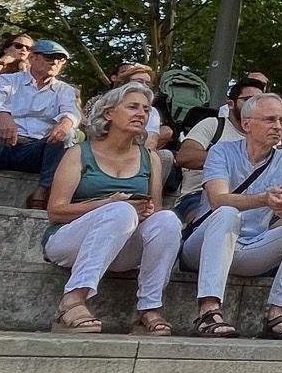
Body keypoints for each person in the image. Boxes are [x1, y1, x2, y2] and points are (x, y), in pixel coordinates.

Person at [179, 91, 282, 341]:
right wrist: (264, 199)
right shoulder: (221, 152)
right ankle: (208, 310)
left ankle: (277, 314)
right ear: (247, 125)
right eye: (270, 119)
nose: (278, 126)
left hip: (250, 247)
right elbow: (218, 200)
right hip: (204, 247)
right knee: (227, 213)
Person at [42, 84, 180, 334]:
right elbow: (56, 211)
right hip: (69, 240)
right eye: (133, 107)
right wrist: (108, 204)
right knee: (120, 211)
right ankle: (72, 301)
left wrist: (145, 211)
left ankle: (149, 309)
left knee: (168, 220)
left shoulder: (151, 158)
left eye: (146, 109)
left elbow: (156, 214)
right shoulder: (79, 153)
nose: (141, 114)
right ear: (109, 113)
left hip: (121, 244)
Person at [0, 39, 80, 207]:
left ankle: (42, 191)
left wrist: (65, 123)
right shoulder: (8, 80)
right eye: (49, 57)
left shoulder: (65, 90)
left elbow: (71, 111)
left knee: (68, 133)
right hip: (5, 145)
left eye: (60, 59)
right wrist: (4, 117)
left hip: (36, 152)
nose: (55, 62)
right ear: (33, 58)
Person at [174, 76, 267, 195]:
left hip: (249, 199)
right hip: (199, 195)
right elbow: (184, 157)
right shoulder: (213, 125)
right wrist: (237, 159)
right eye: (248, 100)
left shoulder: (265, 136)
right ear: (230, 104)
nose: (254, 107)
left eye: (259, 102)